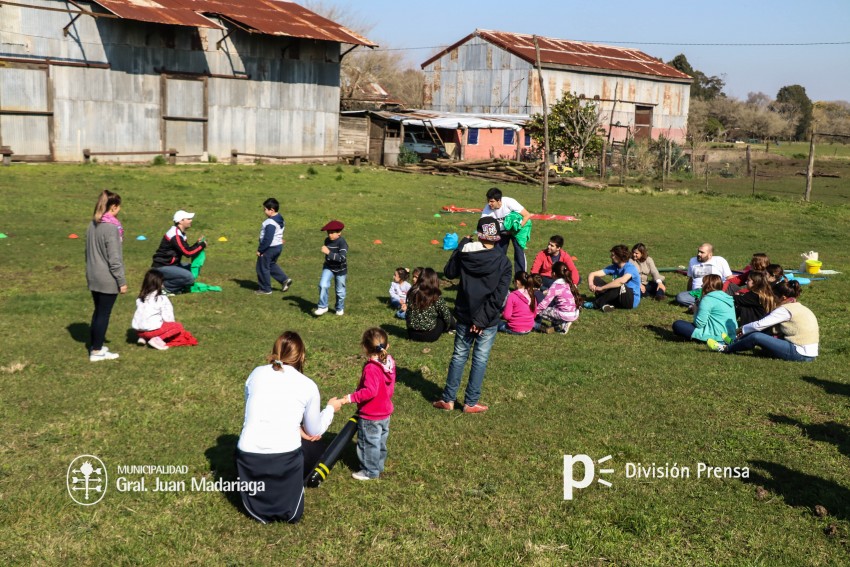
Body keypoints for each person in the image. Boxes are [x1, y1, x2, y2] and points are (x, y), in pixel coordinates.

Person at [236, 331, 340, 524]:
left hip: (248, 457)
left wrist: (297, 427)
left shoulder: (256, 373)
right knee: (318, 444)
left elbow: (254, 412)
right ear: (301, 356)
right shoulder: (307, 385)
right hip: (283, 458)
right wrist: (330, 409)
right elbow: (315, 431)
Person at [433, 217, 511, 413]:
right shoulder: (503, 262)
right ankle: (470, 402)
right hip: (488, 319)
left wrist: (460, 246)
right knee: (480, 359)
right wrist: (482, 320)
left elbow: (449, 272)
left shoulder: (465, 254)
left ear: (478, 234)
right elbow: (498, 296)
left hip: (465, 315)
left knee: (459, 356)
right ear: (496, 237)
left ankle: (448, 399)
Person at [334, 328, 396, 480]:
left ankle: (370, 471)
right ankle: (378, 466)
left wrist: (350, 398)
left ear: (365, 348)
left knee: (369, 443)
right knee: (380, 441)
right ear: (386, 347)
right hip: (385, 412)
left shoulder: (371, 368)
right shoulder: (389, 362)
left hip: (371, 414)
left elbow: (370, 391)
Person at [711, 280, 818, 362]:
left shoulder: (785, 310)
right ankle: (735, 342)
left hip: (800, 353)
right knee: (763, 332)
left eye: (774, 296)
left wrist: (741, 329)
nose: (772, 299)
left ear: (783, 297)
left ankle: (726, 349)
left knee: (756, 336)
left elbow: (759, 325)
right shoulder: (799, 307)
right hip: (809, 352)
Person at [85, 190, 127, 362]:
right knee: (103, 314)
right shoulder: (111, 229)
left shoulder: (92, 225)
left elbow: (87, 252)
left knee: (98, 312)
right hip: (107, 278)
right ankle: (96, 352)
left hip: (93, 275)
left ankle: (97, 345)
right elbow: (115, 259)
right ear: (114, 207)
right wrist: (121, 281)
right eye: (119, 207)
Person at [132, 269, 198, 349]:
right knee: (177, 326)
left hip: (138, 331)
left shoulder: (140, 298)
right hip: (151, 331)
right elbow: (168, 318)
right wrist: (170, 325)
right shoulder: (161, 298)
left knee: (148, 322)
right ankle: (157, 339)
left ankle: (143, 338)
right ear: (160, 283)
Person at [151, 210, 207, 294]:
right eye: (188, 219)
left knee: (192, 268)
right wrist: (202, 245)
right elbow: (188, 253)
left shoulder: (180, 233)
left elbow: (186, 249)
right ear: (180, 221)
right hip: (162, 266)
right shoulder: (175, 235)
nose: (191, 220)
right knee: (189, 277)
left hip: (171, 265)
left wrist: (197, 244)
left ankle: (172, 285)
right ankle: (164, 288)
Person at [671, 274, 737, 344]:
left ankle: (709, 339)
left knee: (678, 325)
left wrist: (695, 310)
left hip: (715, 335)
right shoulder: (728, 298)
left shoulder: (708, 299)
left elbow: (699, 324)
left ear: (707, 286)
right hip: (731, 334)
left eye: (703, 284)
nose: (701, 286)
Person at [480, 187, 532, 274]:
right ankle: (498, 276)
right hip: (501, 232)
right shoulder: (487, 209)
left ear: (499, 200)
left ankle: (521, 278)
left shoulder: (509, 202)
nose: (489, 204)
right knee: (498, 253)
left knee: (519, 252)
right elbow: (483, 224)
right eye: (488, 201)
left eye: (492, 201)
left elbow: (527, 215)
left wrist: (516, 229)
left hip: (517, 230)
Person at [585, 244, 641, 312]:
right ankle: (608, 304)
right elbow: (592, 274)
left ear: (619, 256)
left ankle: (595, 304)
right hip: (618, 296)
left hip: (630, 300)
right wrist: (591, 284)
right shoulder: (614, 267)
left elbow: (621, 281)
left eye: (613, 255)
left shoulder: (630, 268)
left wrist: (602, 288)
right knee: (596, 279)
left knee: (619, 284)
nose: (611, 257)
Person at [675, 243, 733, 308]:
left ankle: (700, 305)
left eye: (702, 252)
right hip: (697, 292)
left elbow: (730, 278)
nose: (699, 254)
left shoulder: (719, 260)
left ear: (710, 255)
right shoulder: (692, 261)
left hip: (713, 291)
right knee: (680, 297)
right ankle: (707, 304)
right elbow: (691, 279)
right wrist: (689, 292)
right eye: (698, 251)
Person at [406, 268, 455, 342]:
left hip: (412, 334)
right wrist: (448, 326)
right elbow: (446, 315)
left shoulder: (412, 292)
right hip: (429, 335)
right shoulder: (435, 296)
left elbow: (408, 314)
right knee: (443, 315)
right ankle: (455, 327)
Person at [255, 198, 292, 296]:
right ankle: (284, 280)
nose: (264, 211)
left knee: (262, 267)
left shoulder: (270, 223)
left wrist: (260, 250)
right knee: (271, 264)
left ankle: (265, 289)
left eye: (265, 209)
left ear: (271, 210)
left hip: (269, 248)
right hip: (278, 247)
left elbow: (268, 238)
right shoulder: (280, 218)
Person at [534, 262, 580, 334]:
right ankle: (562, 323)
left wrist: (535, 311)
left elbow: (545, 303)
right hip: (574, 313)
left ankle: (562, 323)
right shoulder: (569, 282)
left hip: (565, 313)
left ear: (554, 274)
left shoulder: (555, 285)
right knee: (554, 307)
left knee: (541, 312)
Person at [314, 220, 348, 316]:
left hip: (341, 269)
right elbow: (328, 256)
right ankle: (323, 306)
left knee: (340, 291)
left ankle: (339, 308)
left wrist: (328, 253)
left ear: (339, 233)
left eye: (332, 233)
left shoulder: (342, 243)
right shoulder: (327, 240)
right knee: (323, 285)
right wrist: (328, 256)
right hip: (328, 267)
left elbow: (342, 258)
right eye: (328, 232)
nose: (330, 235)